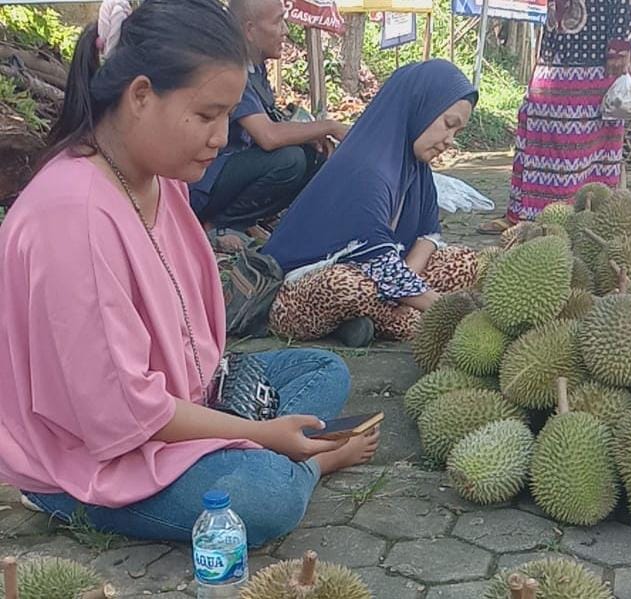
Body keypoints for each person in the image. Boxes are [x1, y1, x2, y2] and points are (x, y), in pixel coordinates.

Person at [0, 0, 378, 548]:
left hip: (185, 396)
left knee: (323, 369)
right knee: (264, 496)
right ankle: (304, 465)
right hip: (90, 455)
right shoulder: (72, 216)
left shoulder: (158, 179)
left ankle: (271, 449)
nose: (222, 136)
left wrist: (237, 420)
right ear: (140, 96)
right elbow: (121, 411)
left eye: (227, 114)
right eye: (206, 115)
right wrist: (255, 433)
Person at [261, 59, 481, 347]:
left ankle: (361, 323)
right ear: (419, 106)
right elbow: (377, 264)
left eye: (457, 133)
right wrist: (450, 312)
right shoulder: (365, 168)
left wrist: (406, 282)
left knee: (464, 262)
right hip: (301, 289)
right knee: (349, 286)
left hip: (384, 276)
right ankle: (380, 318)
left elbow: (429, 236)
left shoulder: (416, 168)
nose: (449, 140)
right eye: (448, 125)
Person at [189, 0, 349, 251]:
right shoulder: (230, 67)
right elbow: (267, 136)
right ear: (250, 30)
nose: (285, 30)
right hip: (204, 180)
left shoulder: (256, 67)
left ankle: (246, 221)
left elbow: (271, 121)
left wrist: (310, 135)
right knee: (290, 160)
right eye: (277, 21)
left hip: (233, 169)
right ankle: (218, 225)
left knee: (312, 154)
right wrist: (329, 126)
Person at [478, 0, 631, 233]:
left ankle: (583, 220)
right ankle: (524, 214)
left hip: (596, 56)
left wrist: (620, 46)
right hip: (554, 50)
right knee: (533, 123)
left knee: (584, 144)